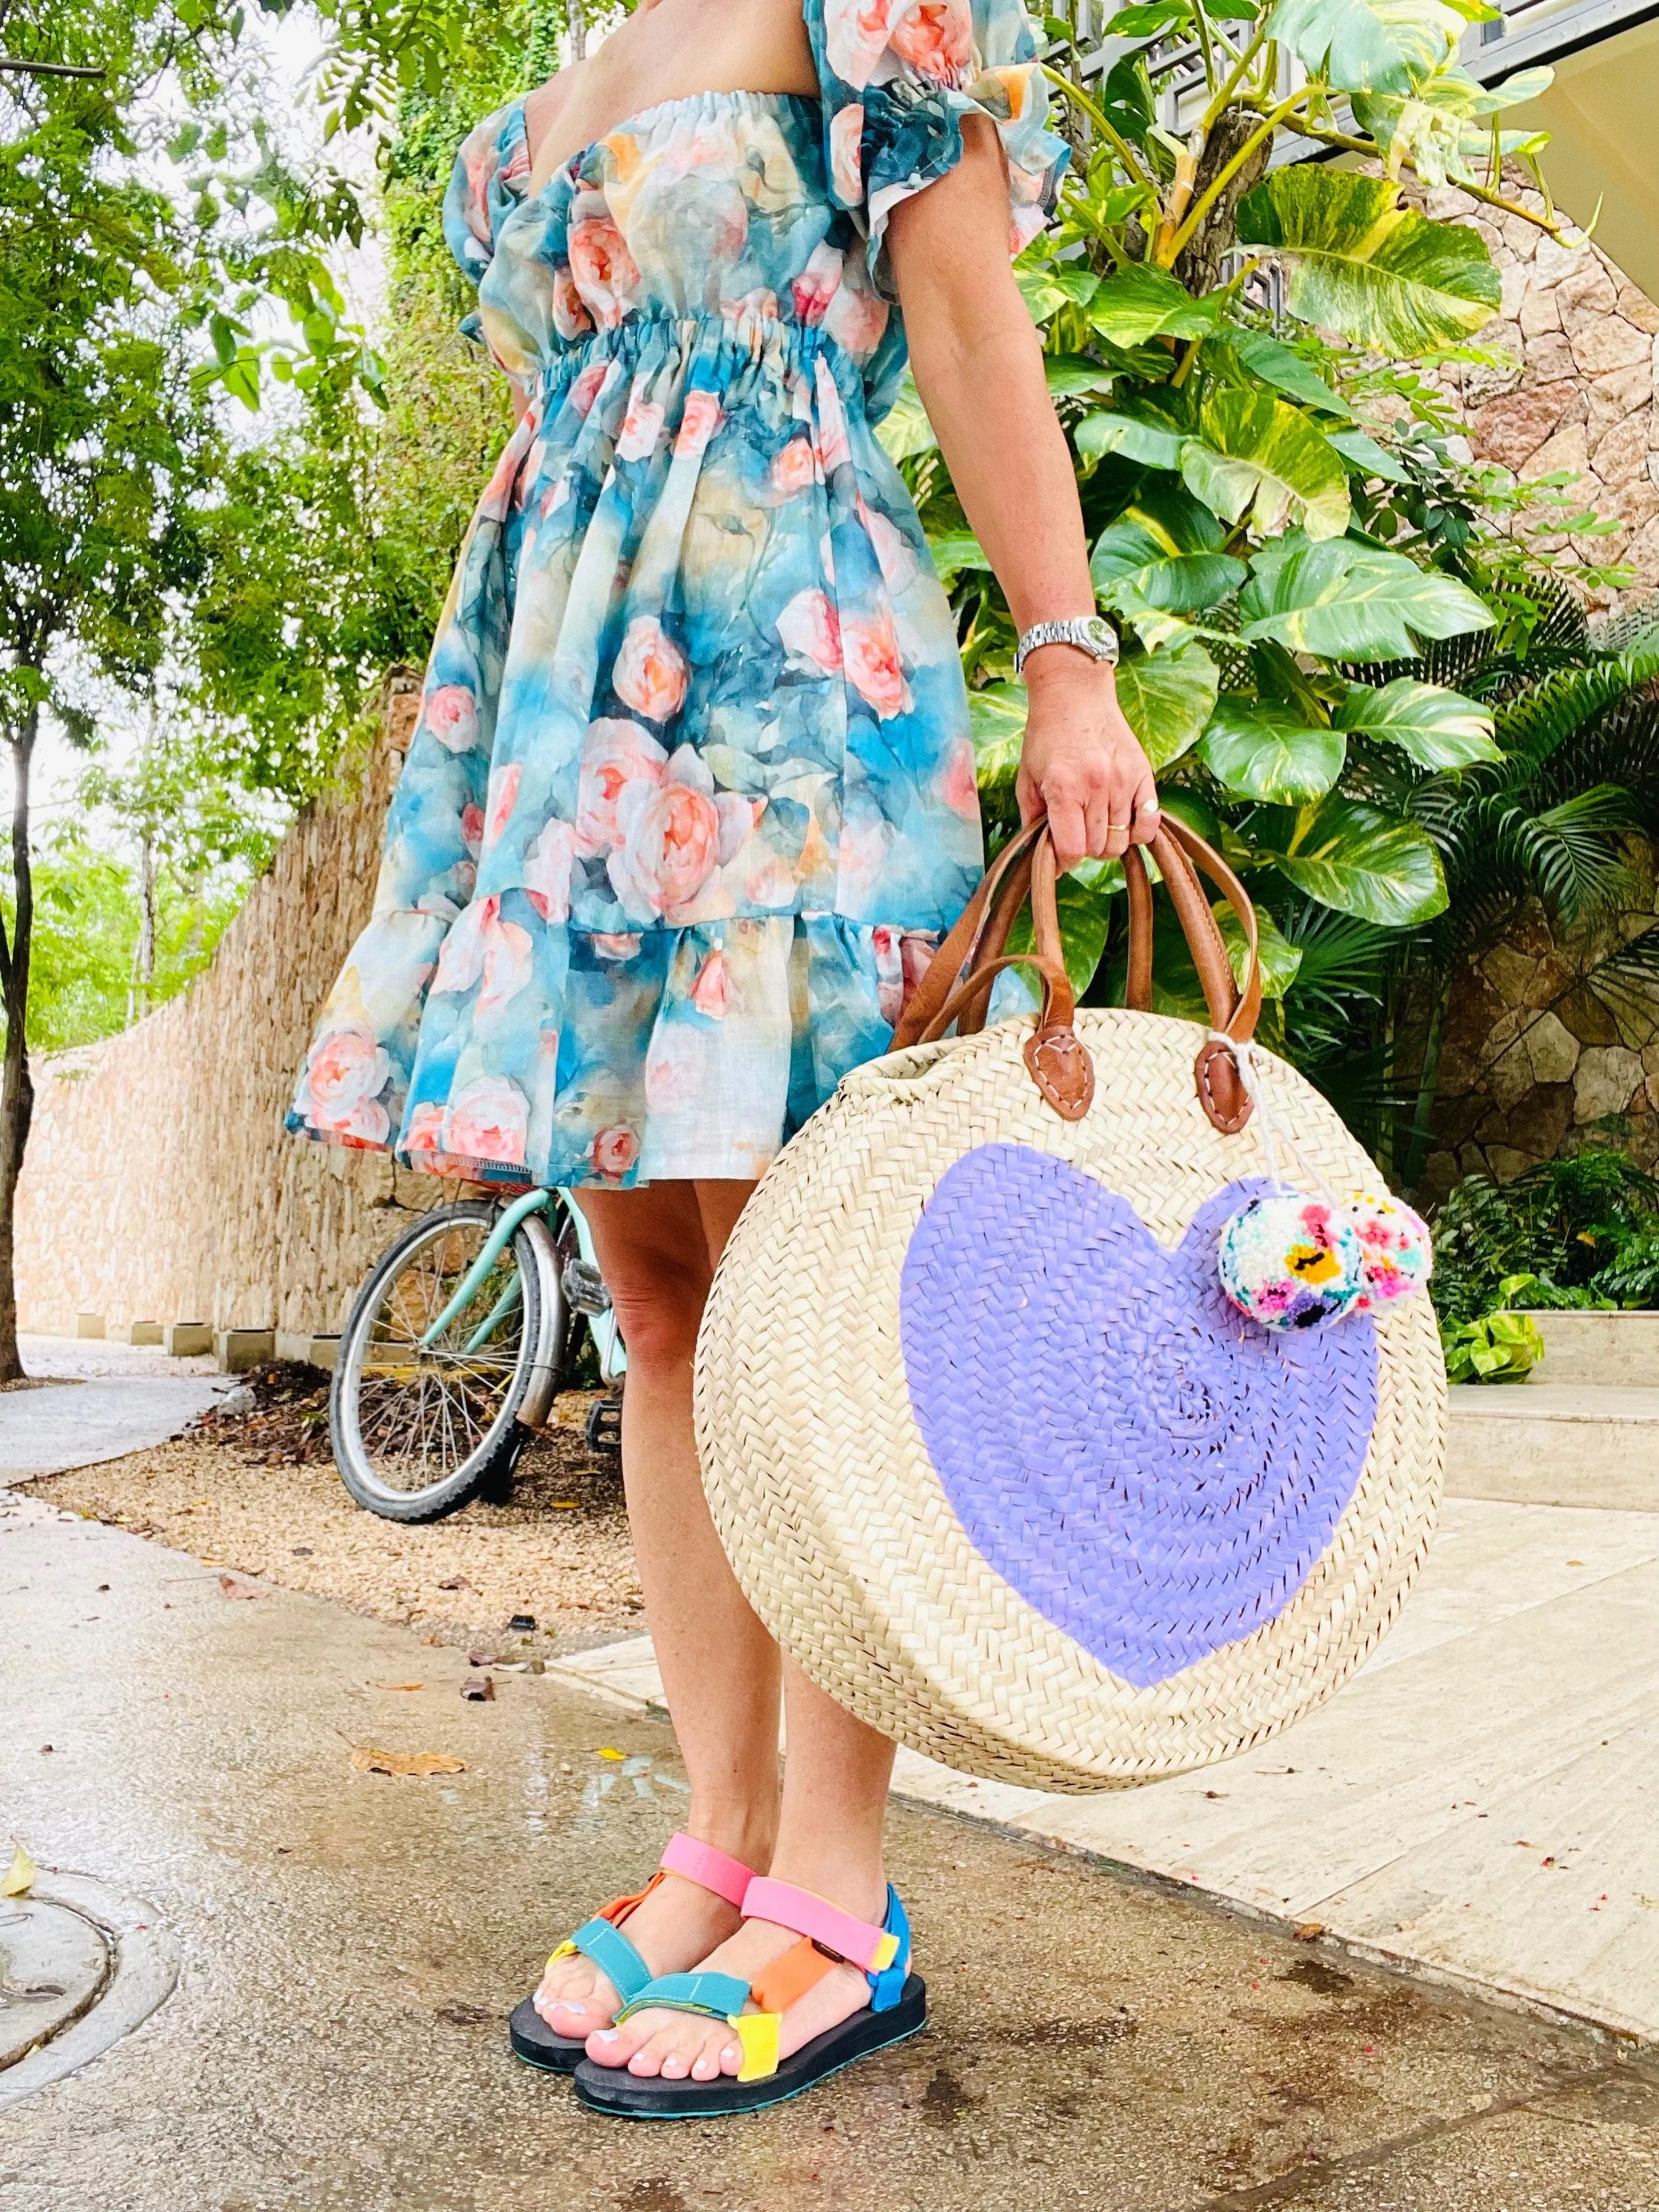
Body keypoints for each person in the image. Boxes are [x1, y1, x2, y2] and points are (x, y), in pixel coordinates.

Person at [289, 0, 1160, 2116]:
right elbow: (578, 421)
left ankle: (839, 1900)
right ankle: (725, 1842)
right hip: (565, 711)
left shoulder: (871, 18)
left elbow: (964, 334)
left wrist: (1065, 664)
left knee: (803, 1311)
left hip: (784, 698)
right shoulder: (543, 104)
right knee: (665, 1308)